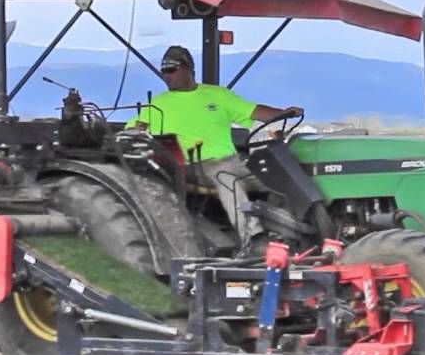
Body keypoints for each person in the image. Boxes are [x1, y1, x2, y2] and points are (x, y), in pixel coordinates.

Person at [126, 45, 303, 246]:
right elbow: (134, 129)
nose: (166, 75)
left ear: (188, 70)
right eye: (163, 71)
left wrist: (284, 113)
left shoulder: (218, 95)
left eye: (171, 69)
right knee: (228, 180)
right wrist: (136, 132)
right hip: (195, 166)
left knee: (282, 179)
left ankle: (297, 231)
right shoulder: (158, 104)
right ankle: (253, 239)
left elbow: (254, 111)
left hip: (233, 160)